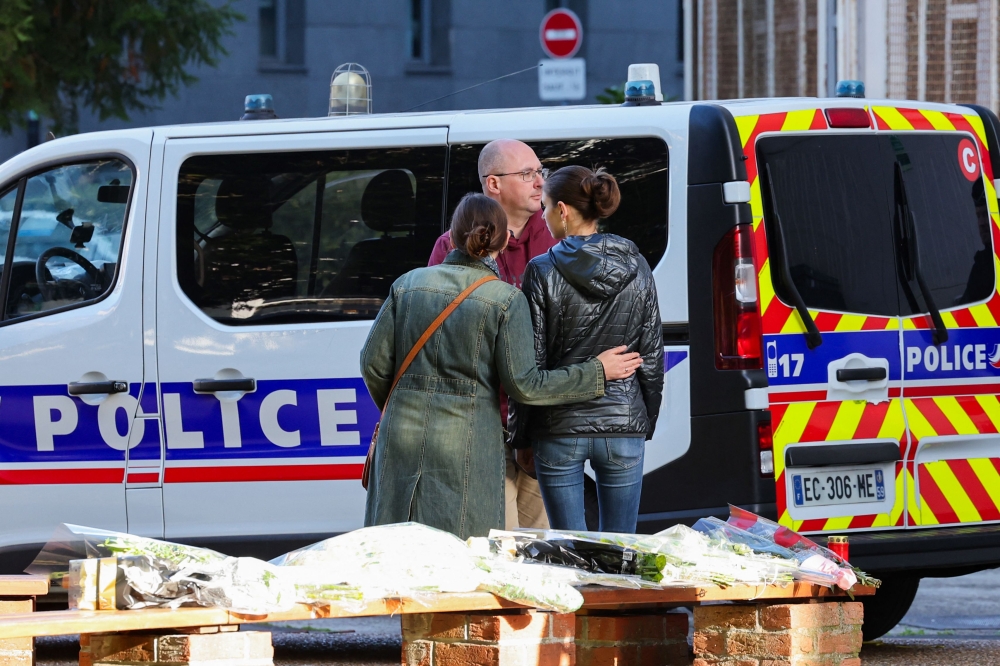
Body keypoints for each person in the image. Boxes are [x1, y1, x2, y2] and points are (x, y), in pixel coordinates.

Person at [361, 193, 643, 539]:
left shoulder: (406, 285)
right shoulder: (505, 299)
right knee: (465, 551)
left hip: (399, 434)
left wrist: (406, 405)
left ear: (451, 236)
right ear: (505, 239)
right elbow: (525, 385)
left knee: (393, 546)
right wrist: (596, 372)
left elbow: (372, 364)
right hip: (467, 440)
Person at [510, 166, 664, 533]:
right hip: (623, 423)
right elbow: (652, 357)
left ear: (562, 210)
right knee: (623, 549)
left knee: (570, 552)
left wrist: (522, 438)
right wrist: (641, 423)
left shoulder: (541, 270)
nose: (543, 217)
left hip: (558, 427)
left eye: (545, 207)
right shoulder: (638, 265)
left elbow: (530, 362)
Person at [428, 139, 557, 531]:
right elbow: (440, 332)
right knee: (501, 546)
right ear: (494, 184)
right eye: (527, 174)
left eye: (540, 173)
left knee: (545, 549)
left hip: (544, 421)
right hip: (483, 422)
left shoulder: (559, 238)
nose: (539, 183)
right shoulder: (451, 247)